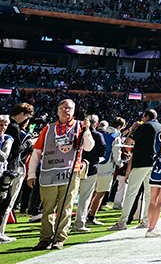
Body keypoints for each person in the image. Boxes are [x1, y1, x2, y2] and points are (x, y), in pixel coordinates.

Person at [25, 99, 94, 250]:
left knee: (65, 208)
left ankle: (59, 238)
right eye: (63, 108)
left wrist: (87, 130)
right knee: (47, 208)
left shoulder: (80, 126)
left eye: (69, 108)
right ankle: (45, 239)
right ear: (57, 111)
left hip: (70, 172)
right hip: (49, 172)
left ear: (74, 111)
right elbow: (37, 152)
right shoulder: (48, 129)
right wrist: (31, 174)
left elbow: (89, 147)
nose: (66, 111)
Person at [111, 109, 161, 231]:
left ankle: (122, 222)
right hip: (155, 164)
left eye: (143, 117)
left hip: (141, 162)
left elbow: (129, 142)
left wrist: (133, 129)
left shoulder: (145, 126)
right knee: (149, 194)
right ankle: (146, 220)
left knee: (131, 192)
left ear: (147, 117)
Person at [0, 103, 34, 244]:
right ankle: (1, 232)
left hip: (7, 168)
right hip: (11, 169)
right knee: (7, 202)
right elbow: (16, 150)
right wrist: (29, 143)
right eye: (27, 116)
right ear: (21, 114)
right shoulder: (13, 128)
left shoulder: (12, 127)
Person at [69, 115, 105, 233]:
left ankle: (64, 223)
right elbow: (102, 152)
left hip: (75, 167)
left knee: (69, 197)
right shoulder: (98, 135)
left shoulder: (75, 133)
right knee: (84, 198)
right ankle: (79, 223)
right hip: (90, 168)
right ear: (96, 124)